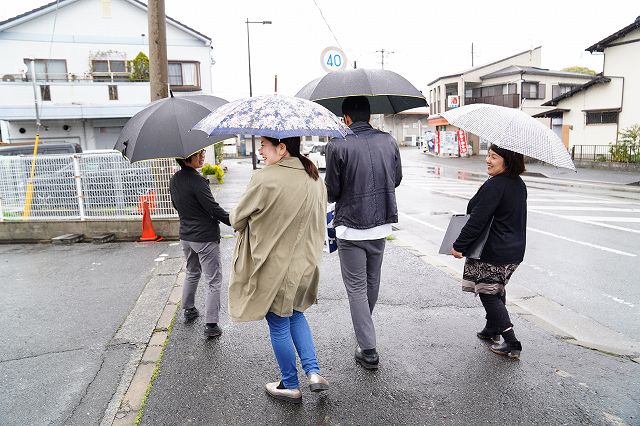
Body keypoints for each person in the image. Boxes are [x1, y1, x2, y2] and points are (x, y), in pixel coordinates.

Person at [228, 136, 329, 404]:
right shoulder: (315, 177)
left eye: (263, 144)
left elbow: (237, 219)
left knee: (278, 322)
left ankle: (290, 384)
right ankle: (314, 372)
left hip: (276, 267)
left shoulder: (265, 178)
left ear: (281, 148)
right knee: (296, 315)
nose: (259, 150)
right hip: (306, 264)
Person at [324, 96, 402, 370]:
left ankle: (368, 349)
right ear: (369, 116)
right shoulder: (389, 141)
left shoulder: (336, 144)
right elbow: (397, 179)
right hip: (381, 221)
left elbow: (331, 190)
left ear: (345, 118)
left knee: (356, 287)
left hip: (350, 225)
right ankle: (364, 328)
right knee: (372, 281)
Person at [451, 144, 527, 359]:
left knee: (487, 292)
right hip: (513, 249)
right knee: (497, 289)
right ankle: (491, 329)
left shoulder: (496, 185)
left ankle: (512, 342)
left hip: (494, 249)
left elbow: (477, 219)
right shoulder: (518, 184)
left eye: (494, 157)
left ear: (507, 160)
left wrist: (459, 245)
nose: (488, 160)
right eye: (488, 155)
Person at [169, 149, 230, 338]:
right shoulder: (198, 181)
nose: (202, 156)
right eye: (199, 154)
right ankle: (211, 325)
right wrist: (234, 221)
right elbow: (212, 208)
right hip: (204, 237)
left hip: (186, 235)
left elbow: (175, 204)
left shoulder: (175, 179)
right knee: (214, 280)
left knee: (192, 272)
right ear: (187, 157)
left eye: (203, 152)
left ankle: (189, 310)